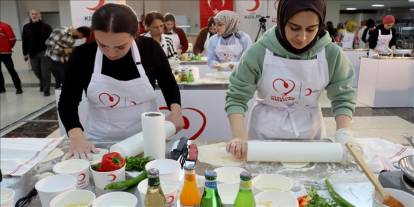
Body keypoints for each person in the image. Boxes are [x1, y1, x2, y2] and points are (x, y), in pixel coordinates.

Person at [225, 0, 356, 160]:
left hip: (310, 135)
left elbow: (343, 97)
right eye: (294, 28)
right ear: (281, 21)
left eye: (311, 29)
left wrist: (344, 133)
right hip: (264, 135)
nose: (302, 37)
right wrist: (239, 137)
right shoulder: (258, 52)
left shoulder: (331, 54)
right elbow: (237, 98)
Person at [58, 4, 184, 159]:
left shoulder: (149, 49)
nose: (111, 53)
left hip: (146, 139)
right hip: (99, 143)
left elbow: (169, 85)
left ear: (135, 35)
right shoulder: (83, 55)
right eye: (102, 45)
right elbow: (67, 102)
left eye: (120, 46)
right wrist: (76, 136)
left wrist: (176, 111)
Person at [44, 26, 91, 95]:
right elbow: (49, 44)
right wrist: (63, 50)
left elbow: (66, 50)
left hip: (61, 59)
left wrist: (67, 54)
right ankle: (53, 91)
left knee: (64, 77)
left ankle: (62, 92)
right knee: (53, 75)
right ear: (79, 32)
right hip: (51, 58)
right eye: (82, 36)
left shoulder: (73, 39)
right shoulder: (60, 31)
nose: (81, 38)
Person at [22, 9, 52, 93]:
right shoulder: (26, 27)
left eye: (36, 14)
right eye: (32, 14)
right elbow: (25, 41)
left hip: (44, 52)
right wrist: (25, 53)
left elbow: (51, 40)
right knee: (36, 71)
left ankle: (46, 89)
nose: (34, 15)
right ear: (30, 16)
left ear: (39, 15)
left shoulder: (46, 26)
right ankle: (42, 83)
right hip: (32, 53)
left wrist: (51, 51)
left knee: (45, 72)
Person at [0, 21, 22, 94]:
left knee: (11, 70)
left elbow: (12, 39)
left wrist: (8, 47)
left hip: (5, 53)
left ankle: (18, 88)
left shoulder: (5, 26)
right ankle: (1, 88)